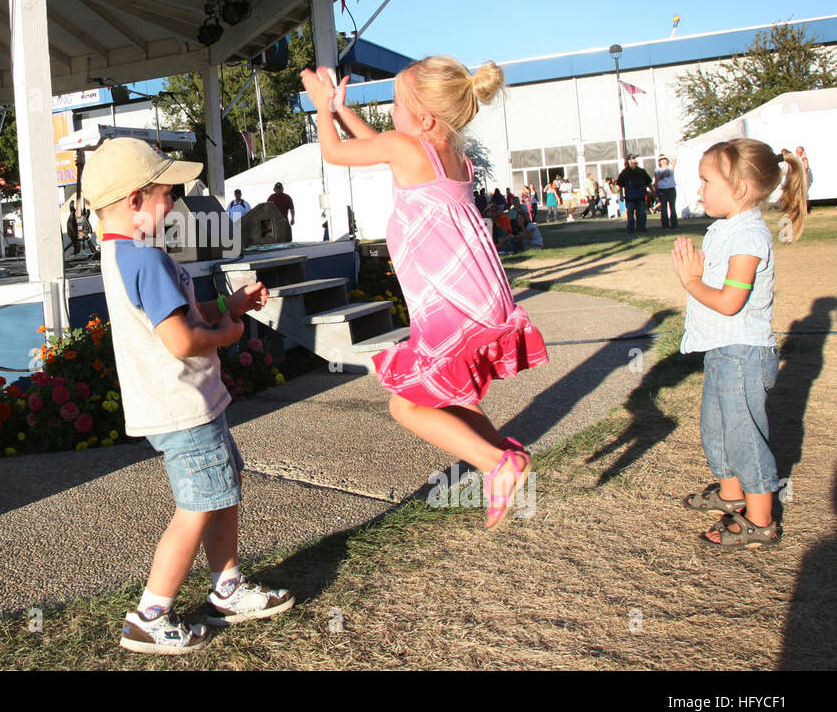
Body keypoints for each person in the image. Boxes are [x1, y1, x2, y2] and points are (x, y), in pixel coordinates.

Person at [303, 57, 547, 530]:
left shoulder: (406, 148)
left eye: (396, 103)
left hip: (449, 304)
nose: (390, 110)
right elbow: (380, 144)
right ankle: (503, 452)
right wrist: (338, 108)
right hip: (477, 295)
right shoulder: (453, 155)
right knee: (447, 395)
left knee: (405, 403)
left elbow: (337, 153)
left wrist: (321, 110)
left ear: (425, 119)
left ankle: (498, 463)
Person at [82, 137, 292, 654]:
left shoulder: (125, 253)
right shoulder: (144, 259)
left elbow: (182, 314)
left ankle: (227, 587)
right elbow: (181, 340)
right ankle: (150, 615)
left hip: (184, 403)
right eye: (166, 195)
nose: (174, 205)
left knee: (221, 489)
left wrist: (229, 305)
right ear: (135, 200)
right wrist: (229, 333)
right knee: (197, 505)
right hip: (182, 407)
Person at [672, 139, 807, 549]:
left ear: (741, 189)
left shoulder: (749, 236)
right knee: (718, 429)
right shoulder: (728, 227)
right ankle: (731, 495)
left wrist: (692, 281)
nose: (699, 190)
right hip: (723, 350)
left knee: (744, 434)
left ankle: (761, 520)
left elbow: (730, 303)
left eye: (706, 181)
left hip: (743, 353)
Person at [616, 154, 652, 234]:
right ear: (628, 161)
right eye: (633, 159)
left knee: (642, 213)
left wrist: (652, 191)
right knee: (630, 214)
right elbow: (620, 184)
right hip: (630, 197)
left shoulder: (641, 171)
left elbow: (648, 182)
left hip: (641, 196)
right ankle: (631, 229)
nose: (635, 160)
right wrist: (621, 195)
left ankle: (641, 228)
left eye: (635, 159)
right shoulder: (625, 172)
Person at [654, 154, 678, 229]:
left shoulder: (670, 168)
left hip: (671, 188)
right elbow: (656, 181)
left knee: (672, 208)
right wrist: (656, 191)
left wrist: (667, 156)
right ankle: (665, 226)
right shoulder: (657, 170)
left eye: (664, 159)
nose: (663, 161)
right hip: (662, 190)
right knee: (664, 208)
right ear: (659, 161)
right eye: (661, 160)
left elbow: (675, 159)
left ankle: (674, 225)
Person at [796, 145, 812, 214]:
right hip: (797, 179)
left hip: (803, 179)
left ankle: (805, 210)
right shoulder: (796, 159)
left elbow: (806, 168)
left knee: (804, 195)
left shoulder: (804, 159)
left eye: (798, 150)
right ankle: (799, 209)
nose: (797, 151)